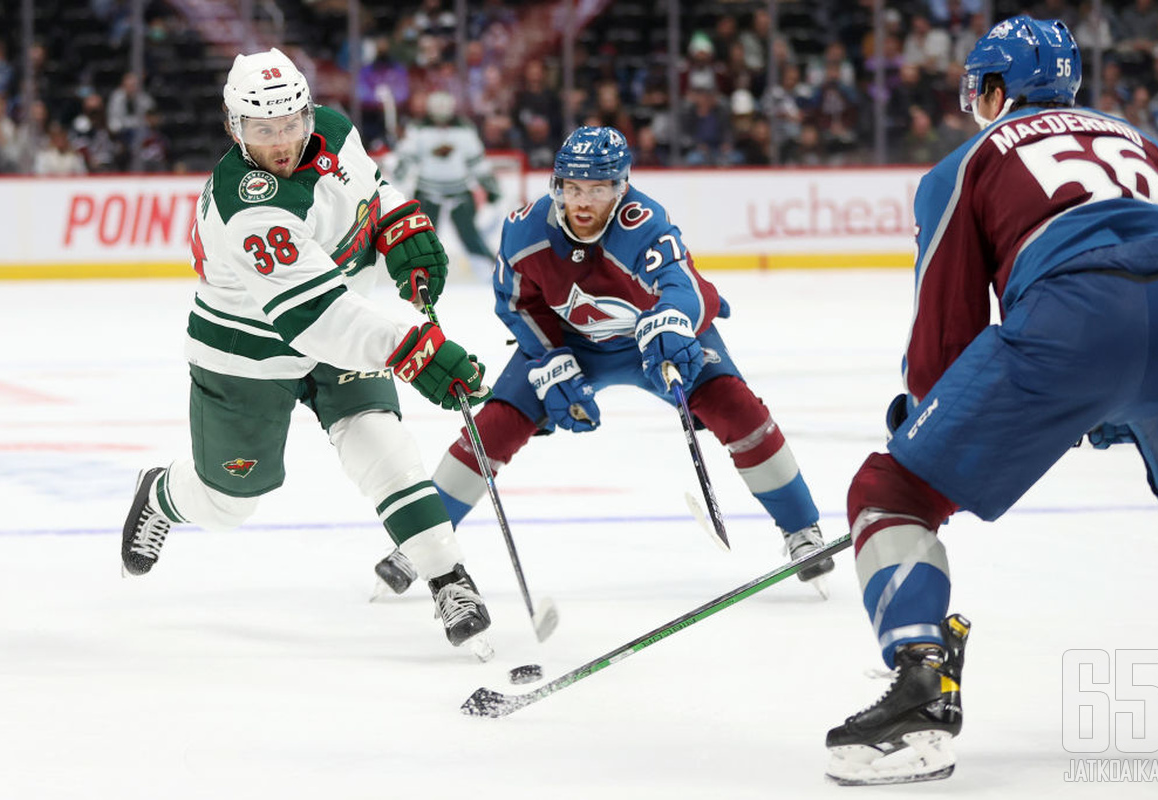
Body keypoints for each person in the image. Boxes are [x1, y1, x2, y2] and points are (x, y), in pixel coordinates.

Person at [825, 16, 1158, 785]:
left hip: (1074, 316)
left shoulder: (971, 159)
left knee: (891, 493)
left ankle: (920, 695)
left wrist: (929, 422)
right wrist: (1124, 400)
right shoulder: (1144, 141)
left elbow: (948, 333)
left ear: (993, 90)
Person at [119, 48, 496, 654]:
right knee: (230, 501)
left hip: (337, 330)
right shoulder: (249, 203)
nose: (282, 142)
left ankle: (450, 579)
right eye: (263, 130)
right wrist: (416, 352)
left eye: (291, 123)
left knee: (381, 442)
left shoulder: (337, 131)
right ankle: (162, 493)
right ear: (234, 128)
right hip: (249, 353)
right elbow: (316, 320)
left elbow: (372, 191)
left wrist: (401, 228)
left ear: (307, 111)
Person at [371, 125, 834, 596]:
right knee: (494, 425)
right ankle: (419, 544)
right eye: (573, 188)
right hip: (573, 344)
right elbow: (516, 304)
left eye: (597, 188)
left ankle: (802, 530)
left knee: (738, 409)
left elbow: (684, 284)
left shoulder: (643, 222)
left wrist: (671, 321)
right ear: (558, 186)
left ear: (621, 186)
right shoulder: (525, 230)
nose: (583, 202)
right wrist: (550, 357)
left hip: (652, 339)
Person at [392, 91, 501, 278]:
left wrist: (490, 186)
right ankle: (418, 274)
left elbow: (476, 161)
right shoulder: (418, 129)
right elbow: (407, 156)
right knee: (423, 238)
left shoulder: (464, 130)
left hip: (459, 191)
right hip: (427, 192)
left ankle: (496, 271)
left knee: (470, 237)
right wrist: (399, 171)